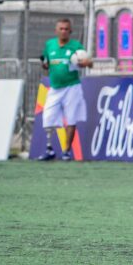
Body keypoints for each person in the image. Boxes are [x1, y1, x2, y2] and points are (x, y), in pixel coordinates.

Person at [37, 18, 93, 161]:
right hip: (55, 87)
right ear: (56, 31)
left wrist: (85, 62)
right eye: (61, 29)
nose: (63, 31)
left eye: (66, 29)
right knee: (48, 117)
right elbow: (46, 61)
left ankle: (66, 151)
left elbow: (88, 61)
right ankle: (49, 149)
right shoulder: (50, 45)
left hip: (72, 87)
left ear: (70, 31)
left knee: (71, 118)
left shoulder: (76, 46)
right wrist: (44, 64)